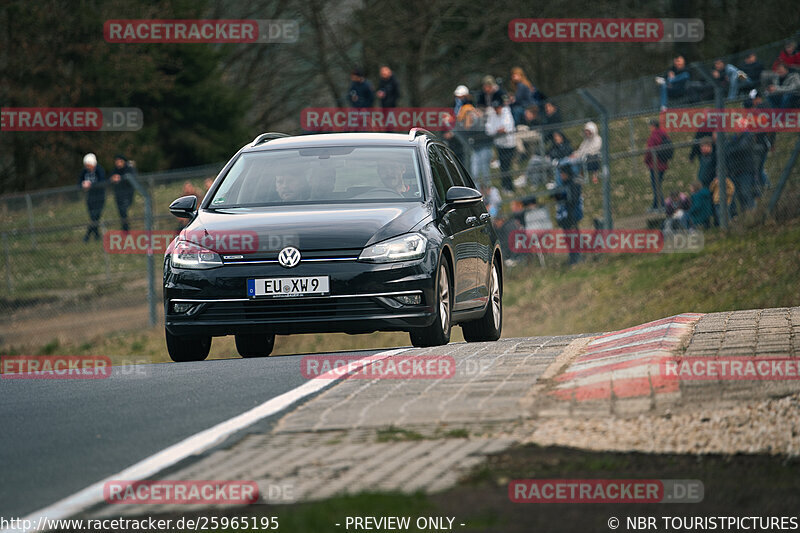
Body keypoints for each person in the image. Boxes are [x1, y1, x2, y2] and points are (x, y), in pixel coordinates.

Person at [553, 165, 583, 265]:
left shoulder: (574, 183)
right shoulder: (563, 185)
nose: (562, 176)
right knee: (568, 238)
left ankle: (577, 257)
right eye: (560, 174)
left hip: (572, 215)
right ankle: (573, 258)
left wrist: (563, 197)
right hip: (565, 217)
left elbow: (573, 200)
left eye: (563, 174)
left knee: (574, 237)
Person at [485, 97, 516, 193]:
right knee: (503, 166)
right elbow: (489, 129)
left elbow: (509, 126)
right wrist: (497, 130)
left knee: (506, 166)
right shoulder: (492, 115)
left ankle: (509, 186)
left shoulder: (506, 113)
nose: (496, 110)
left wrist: (501, 130)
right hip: (499, 144)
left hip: (509, 144)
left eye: (498, 107)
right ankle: (506, 185)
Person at [727, 120, 758, 213]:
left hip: (745, 170)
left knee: (746, 192)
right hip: (735, 170)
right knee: (739, 195)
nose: (737, 128)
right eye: (736, 125)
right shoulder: (734, 138)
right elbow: (727, 149)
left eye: (739, 125)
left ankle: (752, 212)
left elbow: (741, 148)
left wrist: (733, 149)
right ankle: (745, 215)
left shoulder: (748, 136)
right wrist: (733, 148)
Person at [79, 153, 106, 242]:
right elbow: (79, 182)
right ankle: (97, 236)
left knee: (95, 217)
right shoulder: (84, 172)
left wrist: (91, 185)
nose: (87, 167)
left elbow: (102, 182)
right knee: (93, 217)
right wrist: (83, 185)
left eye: (89, 165)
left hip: (100, 197)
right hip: (90, 197)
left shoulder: (99, 170)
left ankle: (87, 236)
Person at [644, 118, 670, 211]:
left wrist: (646, 161)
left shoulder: (654, 136)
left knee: (656, 186)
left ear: (653, 126)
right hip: (663, 163)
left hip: (655, 165)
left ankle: (661, 205)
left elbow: (649, 151)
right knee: (657, 185)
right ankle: (656, 205)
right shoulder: (664, 134)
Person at [109, 154, 135, 232]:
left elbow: (132, 177)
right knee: (121, 213)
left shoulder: (129, 169)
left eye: (120, 161)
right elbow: (110, 178)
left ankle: (126, 229)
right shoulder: (115, 170)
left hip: (128, 194)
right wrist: (113, 179)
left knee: (124, 211)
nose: (118, 163)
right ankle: (125, 229)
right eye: (117, 161)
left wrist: (121, 178)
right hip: (119, 195)